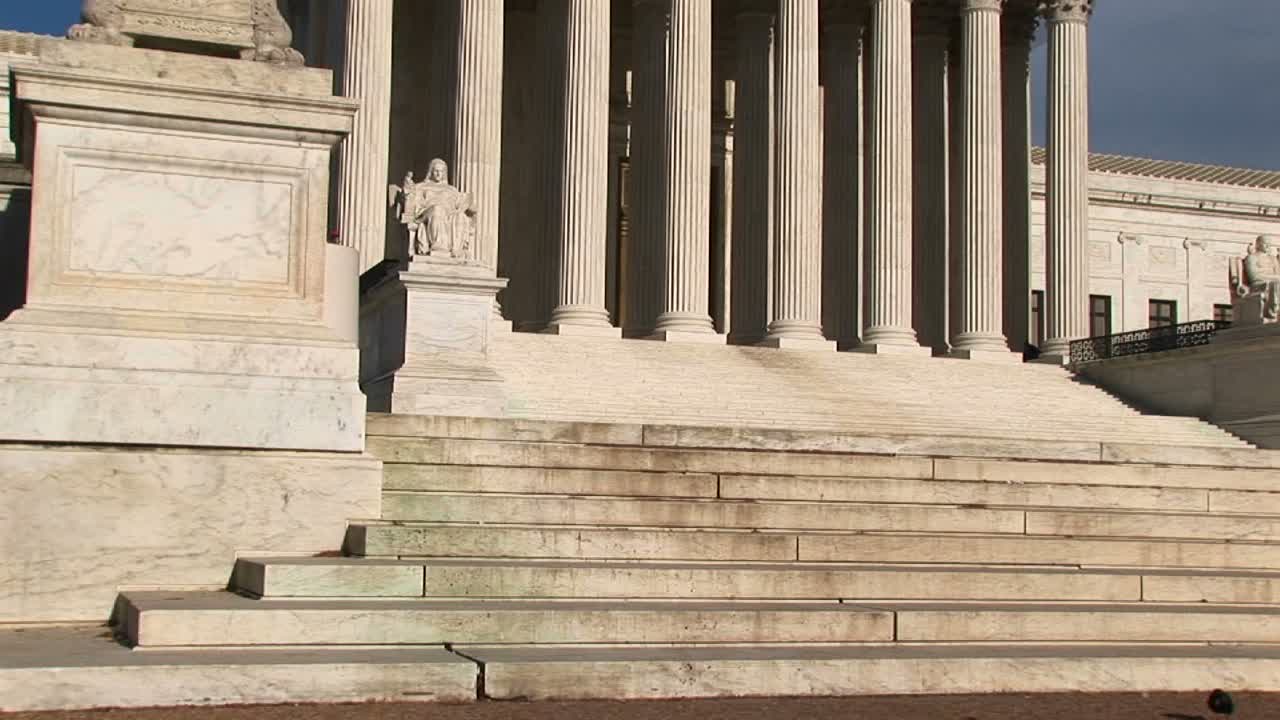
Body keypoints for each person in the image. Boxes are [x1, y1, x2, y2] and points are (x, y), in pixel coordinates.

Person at [1243, 235, 1280, 320]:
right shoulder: (1251, 258)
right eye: (1265, 244)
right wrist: (1274, 278)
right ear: (1258, 244)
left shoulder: (1273, 259)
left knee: (1276, 284)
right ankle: (1272, 311)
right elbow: (1254, 276)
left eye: (1269, 244)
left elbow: (1278, 274)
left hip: (1273, 282)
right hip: (1258, 285)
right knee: (1276, 284)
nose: (1268, 246)